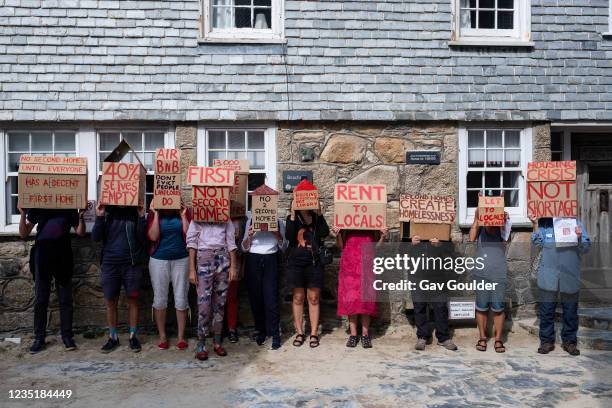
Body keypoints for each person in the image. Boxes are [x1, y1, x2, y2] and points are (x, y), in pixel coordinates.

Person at [19, 207, 86, 354]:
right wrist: (23, 213)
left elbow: (80, 232)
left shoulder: (68, 207)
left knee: (65, 299)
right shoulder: (38, 205)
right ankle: (39, 338)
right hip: (42, 255)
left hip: (63, 255)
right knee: (41, 299)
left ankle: (67, 336)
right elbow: (24, 233)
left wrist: (80, 216)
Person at [530, 215, 590, 356]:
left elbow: (585, 248)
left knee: (570, 311)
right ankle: (546, 341)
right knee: (546, 310)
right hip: (548, 273)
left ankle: (569, 342)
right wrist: (535, 223)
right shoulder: (544, 224)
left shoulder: (576, 223)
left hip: (569, 273)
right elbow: (538, 243)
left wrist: (580, 237)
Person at [92, 203, 147, 353]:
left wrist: (142, 217)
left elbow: (143, 239)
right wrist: (99, 216)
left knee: (133, 300)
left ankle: (133, 336)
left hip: (131, 263)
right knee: (110, 301)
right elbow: (96, 237)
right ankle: (113, 337)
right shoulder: (108, 212)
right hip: (110, 263)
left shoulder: (134, 212)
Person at [187, 217, 238, 361]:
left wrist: (233, 266)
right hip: (204, 256)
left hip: (222, 257)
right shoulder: (197, 217)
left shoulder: (225, 218)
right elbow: (192, 243)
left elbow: (231, 243)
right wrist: (191, 269)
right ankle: (202, 342)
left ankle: (217, 340)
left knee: (220, 302)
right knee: (203, 303)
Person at [332, 226, 387, 348]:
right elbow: (340, 246)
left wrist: (382, 236)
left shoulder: (373, 225)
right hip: (350, 267)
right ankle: (353, 334)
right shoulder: (345, 226)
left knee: (365, 301)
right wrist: (338, 235)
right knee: (351, 299)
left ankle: (365, 335)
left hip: (367, 266)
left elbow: (377, 248)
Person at [242, 205, 288, 350]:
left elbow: (284, 246)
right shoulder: (250, 221)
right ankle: (260, 331)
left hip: (271, 259)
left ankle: (275, 334)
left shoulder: (279, 222)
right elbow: (243, 247)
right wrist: (249, 236)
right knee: (256, 298)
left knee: (271, 298)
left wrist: (277, 234)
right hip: (253, 259)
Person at [146, 203, 191, 351]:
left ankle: (181, 337)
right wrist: (156, 213)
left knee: (181, 298)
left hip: (181, 259)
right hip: (159, 260)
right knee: (160, 298)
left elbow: (190, 235)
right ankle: (163, 336)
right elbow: (153, 236)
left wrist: (183, 215)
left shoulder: (183, 212)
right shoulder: (154, 214)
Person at [285, 200, 329, 348]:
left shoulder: (316, 218)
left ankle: (314, 333)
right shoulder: (292, 218)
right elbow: (290, 237)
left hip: (314, 263)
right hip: (296, 263)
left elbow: (325, 233)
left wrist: (319, 213)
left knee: (314, 297)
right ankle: (299, 332)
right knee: (298, 297)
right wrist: (292, 213)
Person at [469, 209, 511, 353]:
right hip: (481, 273)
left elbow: (506, 240)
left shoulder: (501, 229)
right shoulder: (479, 228)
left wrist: (504, 221)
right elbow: (471, 238)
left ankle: (498, 339)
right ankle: (482, 337)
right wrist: (476, 218)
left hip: (498, 273)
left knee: (498, 307)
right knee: (481, 306)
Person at [410, 234, 458, 351]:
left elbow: (451, 249)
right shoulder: (409, 228)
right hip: (418, 276)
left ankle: (443, 338)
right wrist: (411, 244)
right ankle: (422, 336)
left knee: (441, 306)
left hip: (438, 276)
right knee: (419, 306)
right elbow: (401, 251)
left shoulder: (441, 228)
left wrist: (440, 245)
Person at [226, 214, 246, 344]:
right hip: (218, 260)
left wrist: (243, 266)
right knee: (216, 297)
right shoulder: (214, 216)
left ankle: (231, 328)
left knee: (232, 297)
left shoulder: (241, 220)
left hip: (236, 261)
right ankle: (218, 328)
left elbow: (243, 247)